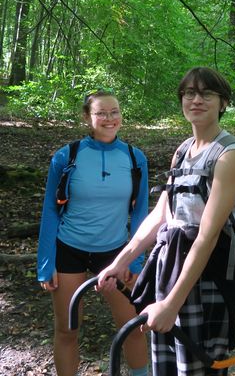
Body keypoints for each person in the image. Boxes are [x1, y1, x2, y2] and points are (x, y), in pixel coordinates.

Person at [98, 67, 235, 376]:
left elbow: (207, 236)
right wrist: (122, 260)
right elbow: (161, 215)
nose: (196, 100)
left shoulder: (229, 156)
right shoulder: (183, 151)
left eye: (207, 94)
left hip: (209, 278)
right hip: (171, 271)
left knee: (196, 369)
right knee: (167, 368)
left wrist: (171, 303)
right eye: (189, 93)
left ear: (223, 103)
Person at [37, 90, 149, 376]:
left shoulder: (135, 159)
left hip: (115, 252)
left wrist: (135, 261)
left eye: (115, 112)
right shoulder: (66, 156)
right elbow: (51, 211)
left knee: (133, 327)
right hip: (69, 249)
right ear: (88, 117)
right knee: (67, 330)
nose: (109, 118)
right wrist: (46, 263)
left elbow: (139, 214)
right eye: (101, 113)